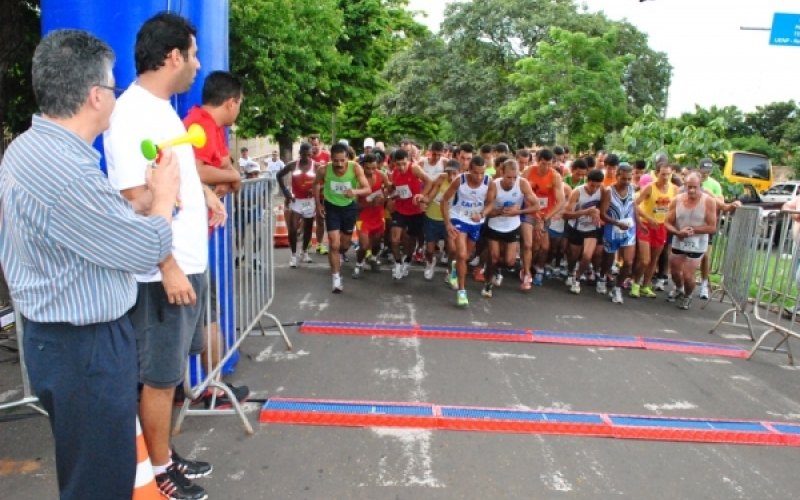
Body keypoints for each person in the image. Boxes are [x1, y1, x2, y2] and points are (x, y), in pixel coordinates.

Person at [0, 29, 180, 500]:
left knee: (90, 470)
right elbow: (144, 252)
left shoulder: (29, 149)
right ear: (96, 96)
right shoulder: (69, 173)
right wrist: (162, 199)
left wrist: (134, 207)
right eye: (115, 88)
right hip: (86, 349)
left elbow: (79, 235)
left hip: (59, 341)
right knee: (99, 482)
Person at [104, 13, 220, 500]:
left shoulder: (163, 109)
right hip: (159, 272)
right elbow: (135, 196)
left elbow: (171, 174)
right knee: (158, 376)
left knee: (171, 371)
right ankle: (156, 472)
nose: (197, 64)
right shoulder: (131, 113)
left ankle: (164, 454)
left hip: (184, 259)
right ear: (173, 56)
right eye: (193, 54)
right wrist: (167, 267)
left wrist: (205, 196)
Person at [182, 70, 249, 409]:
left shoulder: (214, 127)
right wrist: (229, 176)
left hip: (196, 237)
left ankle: (211, 385)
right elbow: (195, 170)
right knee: (207, 315)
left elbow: (224, 170)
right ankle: (212, 388)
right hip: (186, 241)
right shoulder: (199, 124)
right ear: (231, 102)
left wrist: (226, 177)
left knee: (207, 313)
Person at [313, 142, 372, 292]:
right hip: (331, 207)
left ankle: (339, 255)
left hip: (348, 208)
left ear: (347, 158)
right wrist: (318, 204)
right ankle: (336, 279)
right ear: (331, 158)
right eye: (336, 160)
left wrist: (354, 192)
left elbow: (367, 189)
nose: (339, 164)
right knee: (334, 244)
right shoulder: (324, 169)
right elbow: (314, 184)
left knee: (343, 246)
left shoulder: (355, 168)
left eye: (342, 160)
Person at [441, 156, 496, 306]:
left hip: (475, 221)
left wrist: (483, 214)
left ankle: (455, 266)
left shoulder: (488, 182)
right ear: (469, 170)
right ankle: (462, 291)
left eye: (482, 173)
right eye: (476, 173)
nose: (479, 177)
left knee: (465, 257)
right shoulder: (460, 180)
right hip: (458, 218)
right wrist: (447, 223)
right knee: (461, 253)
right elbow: (444, 200)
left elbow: (490, 203)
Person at [481, 159, 540, 298]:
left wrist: (517, 212)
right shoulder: (494, 185)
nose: (512, 181)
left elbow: (537, 206)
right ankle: (488, 284)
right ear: (501, 173)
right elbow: (487, 210)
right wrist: (502, 211)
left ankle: (497, 270)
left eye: (515, 177)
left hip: (512, 226)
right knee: (494, 257)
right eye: (509, 177)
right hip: (495, 224)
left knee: (510, 261)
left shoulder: (522, 183)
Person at [664, 172, 717, 310]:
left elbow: (712, 227)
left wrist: (693, 230)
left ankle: (687, 295)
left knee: (688, 275)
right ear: (684, 186)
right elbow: (667, 223)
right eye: (689, 187)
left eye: (695, 187)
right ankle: (679, 288)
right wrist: (677, 232)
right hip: (679, 238)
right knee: (674, 272)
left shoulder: (708, 201)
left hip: (697, 242)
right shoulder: (676, 200)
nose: (692, 190)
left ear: (701, 186)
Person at [632, 162, 677, 299]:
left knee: (654, 259)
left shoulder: (673, 189)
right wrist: (646, 218)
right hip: (646, 226)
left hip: (661, 227)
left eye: (668, 174)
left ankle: (646, 286)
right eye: (663, 174)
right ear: (657, 174)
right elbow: (634, 204)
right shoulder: (649, 188)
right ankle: (635, 284)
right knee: (644, 259)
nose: (665, 177)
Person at [521, 149, 565, 287]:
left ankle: (538, 267)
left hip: (545, 214)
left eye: (549, 164)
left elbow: (560, 202)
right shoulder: (528, 172)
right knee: (529, 244)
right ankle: (526, 272)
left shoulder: (555, 176)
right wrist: (535, 214)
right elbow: (520, 193)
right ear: (537, 161)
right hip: (528, 211)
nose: (546, 167)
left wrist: (544, 218)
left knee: (544, 247)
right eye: (543, 164)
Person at [388, 148, 432, 279]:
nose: (401, 167)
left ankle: (407, 261)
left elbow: (429, 181)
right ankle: (397, 263)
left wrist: (421, 196)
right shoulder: (394, 173)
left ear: (408, 161)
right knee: (394, 239)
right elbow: (396, 189)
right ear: (394, 163)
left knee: (410, 240)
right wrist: (390, 197)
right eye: (398, 164)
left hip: (415, 210)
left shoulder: (414, 169)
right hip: (400, 209)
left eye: (404, 164)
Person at [563, 169, 605, 294]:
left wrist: (598, 213)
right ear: (587, 181)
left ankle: (577, 278)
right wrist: (585, 212)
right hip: (576, 226)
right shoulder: (577, 192)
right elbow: (565, 215)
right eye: (592, 185)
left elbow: (604, 206)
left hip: (592, 228)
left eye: (597, 186)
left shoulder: (602, 190)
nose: (594, 189)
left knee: (587, 255)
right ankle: (571, 272)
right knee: (573, 255)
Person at [600, 163, 637, 304]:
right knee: (608, 260)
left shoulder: (632, 189)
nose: (626, 182)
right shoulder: (609, 191)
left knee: (628, 262)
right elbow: (602, 214)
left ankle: (617, 288)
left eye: (629, 179)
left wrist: (639, 224)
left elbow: (634, 208)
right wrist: (616, 223)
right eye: (624, 179)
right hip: (612, 230)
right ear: (617, 177)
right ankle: (602, 277)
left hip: (629, 230)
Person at [277, 143, 317, 267]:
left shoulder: (317, 166)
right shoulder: (293, 165)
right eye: (304, 155)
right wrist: (285, 192)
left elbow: (325, 181)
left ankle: (304, 252)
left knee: (308, 229)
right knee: (293, 228)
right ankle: (293, 255)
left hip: (310, 201)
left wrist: (316, 190)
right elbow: (279, 175)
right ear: (300, 154)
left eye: (309, 155)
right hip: (296, 201)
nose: (307, 158)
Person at [422, 160, 460, 281]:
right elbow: (431, 195)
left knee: (453, 249)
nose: (451, 176)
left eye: (454, 173)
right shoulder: (441, 179)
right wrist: (422, 199)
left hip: (449, 221)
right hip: (432, 218)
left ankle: (450, 271)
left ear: (460, 172)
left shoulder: (462, 183)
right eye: (449, 173)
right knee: (429, 249)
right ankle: (430, 262)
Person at [353, 153, 390, 277]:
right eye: (368, 168)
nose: (371, 171)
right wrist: (371, 204)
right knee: (364, 245)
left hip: (378, 216)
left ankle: (373, 258)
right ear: (362, 166)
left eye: (374, 168)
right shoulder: (357, 180)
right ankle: (359, 264)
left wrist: (384, 197)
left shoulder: (381, 175)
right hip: (363, 217)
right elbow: (354, 206)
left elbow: (390, 189)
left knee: (377, 243)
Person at [696, 157, 724, 300]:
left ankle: (704, 284)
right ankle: (680, 284)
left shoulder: (714, 185)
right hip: (691, 221)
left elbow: (721, 204)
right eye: (703, 170)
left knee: (705, 255)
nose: (705, 173)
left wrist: (710, 195)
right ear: (698, 168)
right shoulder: (693, 180)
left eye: (708, 171)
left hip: (706, 224)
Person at [309, 133, 330, 254]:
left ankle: (320, 244)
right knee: (306, 220)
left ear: (320, 144)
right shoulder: (305, 158)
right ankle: (306, 244)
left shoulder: (327, 157)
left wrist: (321, 187)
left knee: (320, 219)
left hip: (322, 194)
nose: (314, 147)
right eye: (312, 145)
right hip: (307, 194)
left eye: (316, 145)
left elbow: (331, 176)